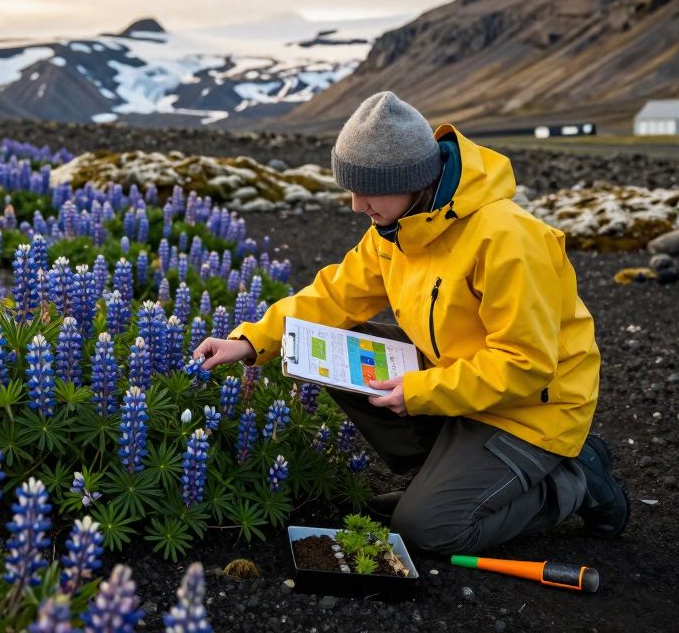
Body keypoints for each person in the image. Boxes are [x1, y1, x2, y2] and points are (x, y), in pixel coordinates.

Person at [193, 91, 628, 555]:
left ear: (412, 179)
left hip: (530, 411)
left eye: (368, 190)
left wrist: (422, 392)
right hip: (460, 385)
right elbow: (335, 296)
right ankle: (449, 474)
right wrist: (250, 340)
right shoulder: (397, 228)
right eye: (351, 189)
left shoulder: (509, 240)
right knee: (323, 344)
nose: (357, 206)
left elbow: (527, 364)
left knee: (427, 530)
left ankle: (574, 477)